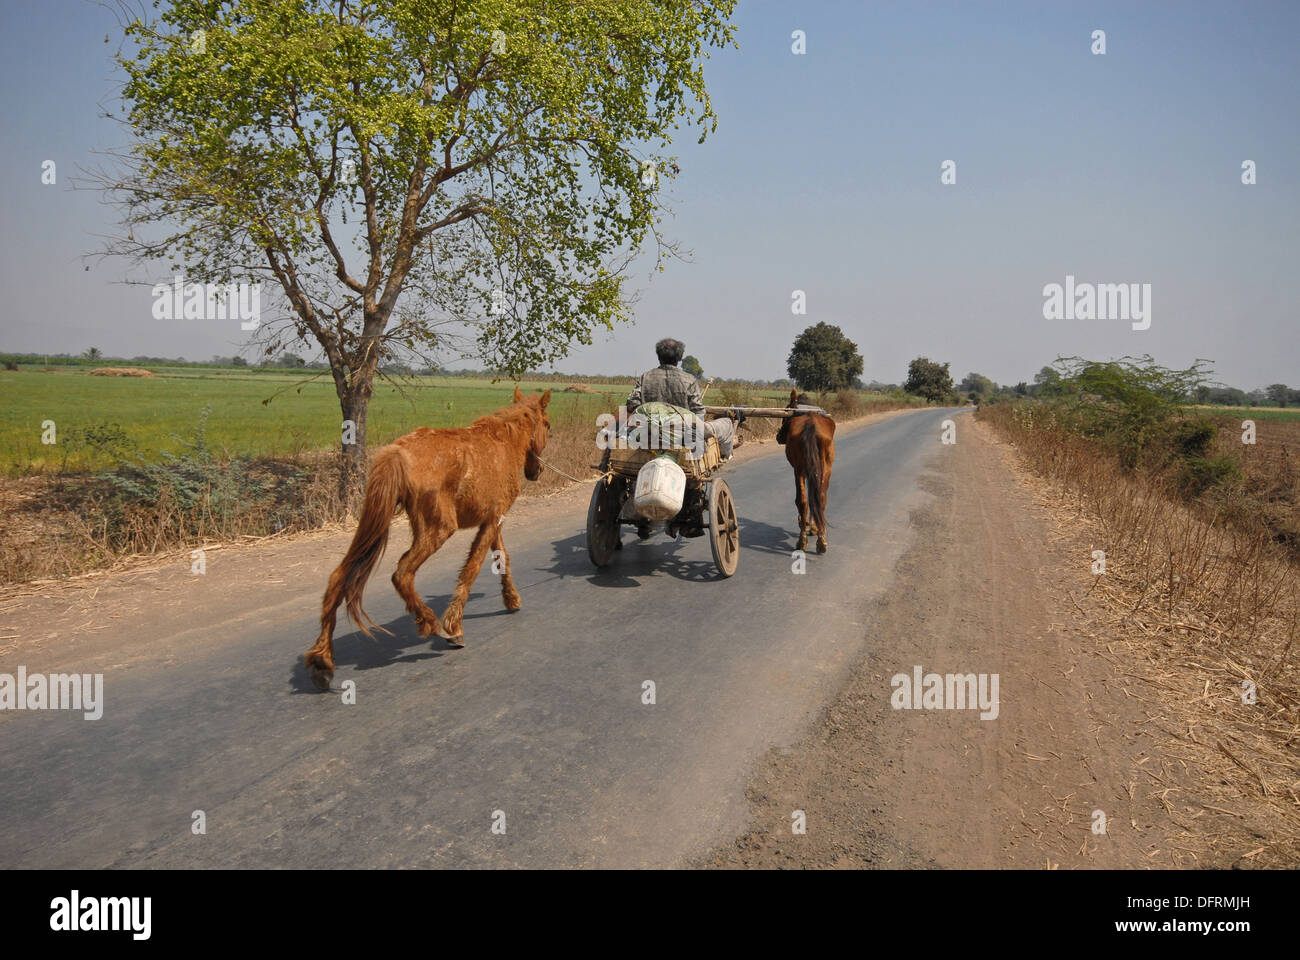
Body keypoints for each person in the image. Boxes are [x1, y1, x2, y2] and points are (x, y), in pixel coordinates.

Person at [625, 338, 739, 457]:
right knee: (727, 423)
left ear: (659, 357)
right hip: (682, 435)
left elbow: (632, 404)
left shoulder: (645, 377)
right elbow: (699, 413)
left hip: (649, 433)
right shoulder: (689, 380)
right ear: (679, 358)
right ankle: (725, 457)